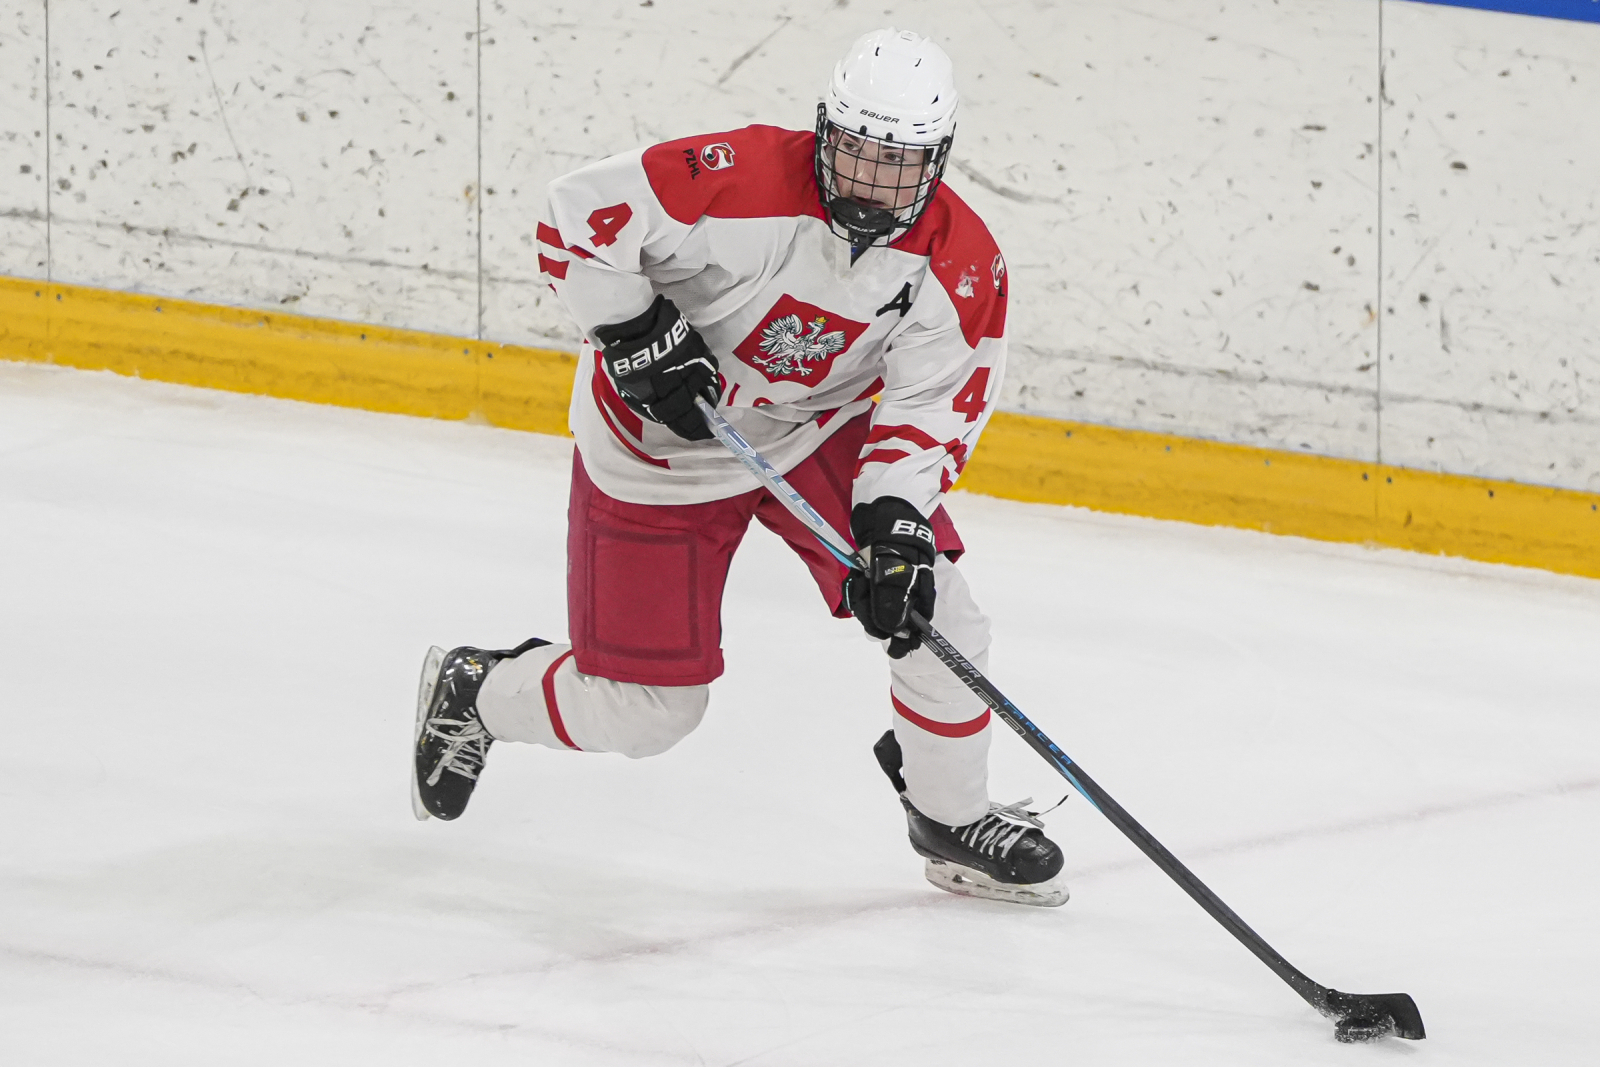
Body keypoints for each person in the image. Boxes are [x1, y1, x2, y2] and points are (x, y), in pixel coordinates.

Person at [410, 28, 1067, 907]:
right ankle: (480, 691)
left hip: (810, 428)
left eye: (898, 162)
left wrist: (895, 518)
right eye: (856, 151)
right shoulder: (731, 177)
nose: (870, 181)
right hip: (661, 446)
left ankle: (950, 817)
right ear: (825, 130)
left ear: (938, 159)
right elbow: (577, 216)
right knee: (648, 711)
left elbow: (932, 402)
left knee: (933, 606)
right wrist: (633, 330)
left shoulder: (962, 261)